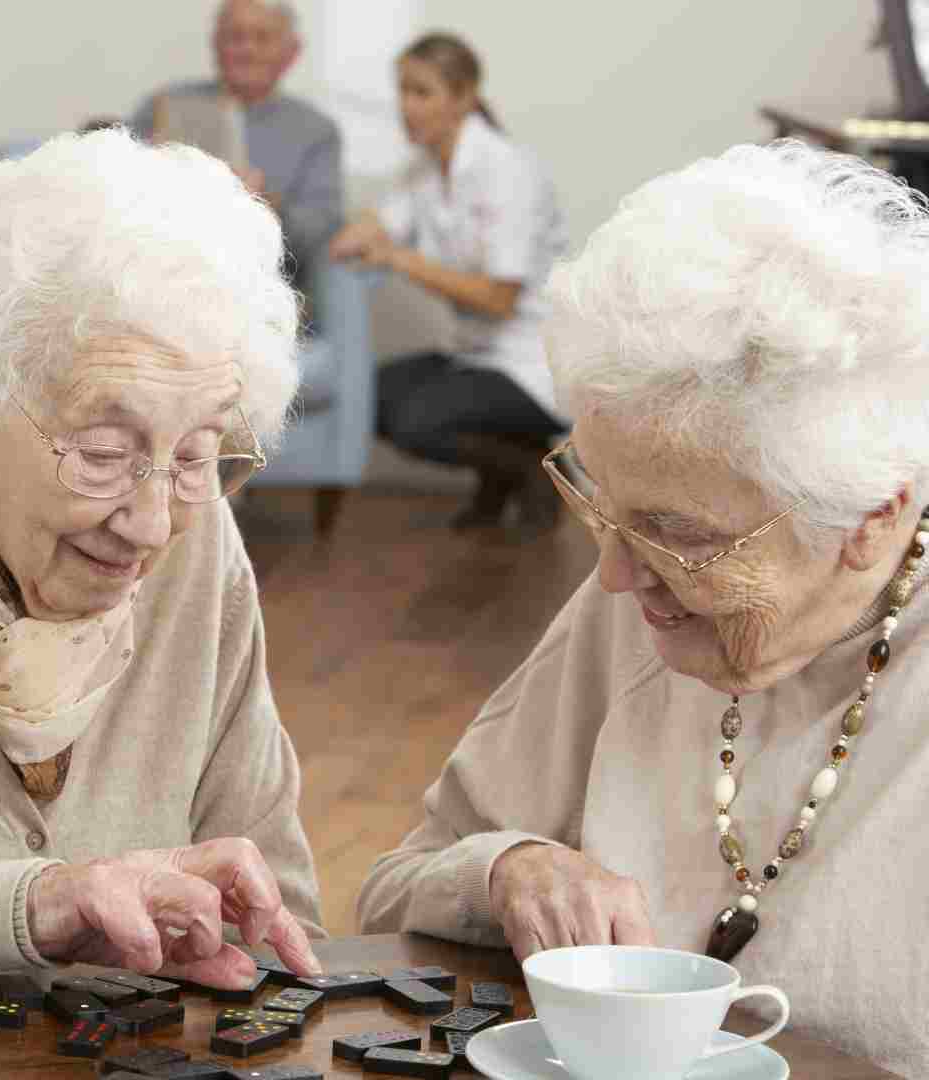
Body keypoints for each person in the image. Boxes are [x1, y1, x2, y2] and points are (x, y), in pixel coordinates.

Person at [357, 141, 929, 1079]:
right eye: (599, 505)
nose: (618, 576)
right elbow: (392, 893)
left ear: (873, 518)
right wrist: (509, 869)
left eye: (679, 533)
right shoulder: (631, 610)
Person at [0, 127, 325, 988]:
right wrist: (30, 907)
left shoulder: (198, 532)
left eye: (195, 453)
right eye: (103, 452)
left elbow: (277, 905)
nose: (150, 526)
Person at [329, 32, 567, 532]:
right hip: (473, 354)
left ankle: (530, 471)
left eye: (422, 92)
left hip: (532, 362)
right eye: (402, 91)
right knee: (362, 394)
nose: (406, 107)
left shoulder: (507, 171)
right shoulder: (424, 170)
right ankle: (506, 472)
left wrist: (399, 258)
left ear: (463, 97)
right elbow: (371, 228)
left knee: (418, 420)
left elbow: (499, 299)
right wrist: (346, 237)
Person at [131, 0, 342, 286]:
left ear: (292, 53)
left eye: (262, 38)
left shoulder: (317, 131)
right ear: (216, 44)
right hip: (158, 267)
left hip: (260, 282)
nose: (247, 49)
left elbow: (319, 229)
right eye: (235, 37)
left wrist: (266, 205)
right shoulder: (165, 105)